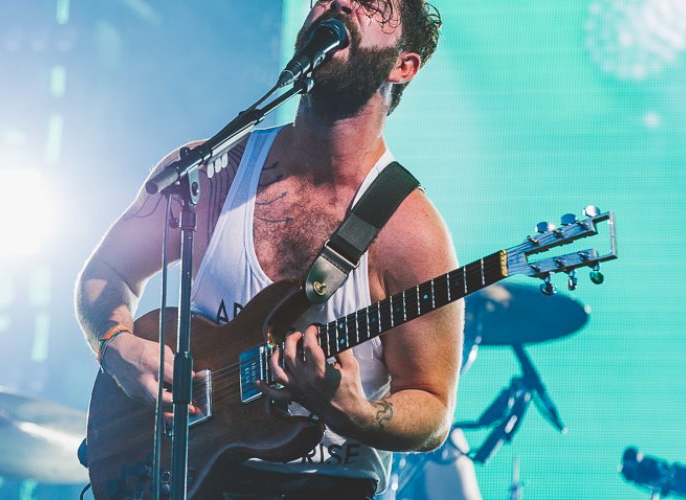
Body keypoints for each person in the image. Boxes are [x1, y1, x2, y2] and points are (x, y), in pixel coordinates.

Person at [75, 0, 462, 497]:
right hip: (183, 479)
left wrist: (360, 414)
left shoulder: (411, 233)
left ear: (404, 66)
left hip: (326, 484)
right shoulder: (212, 172)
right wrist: (116, 346)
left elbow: (431, 406)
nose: (341, 3)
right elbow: (108, 269)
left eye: (371, 4)